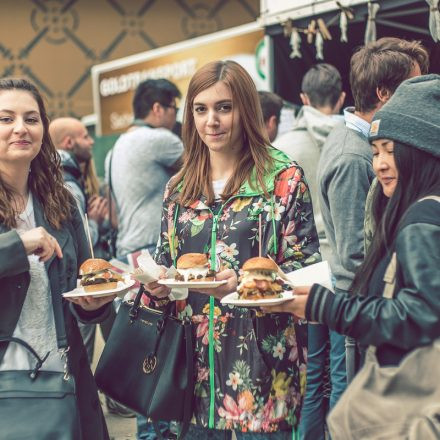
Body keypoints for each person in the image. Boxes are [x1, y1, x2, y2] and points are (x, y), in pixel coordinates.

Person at [144, 60, 320, 439]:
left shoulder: (283, 178)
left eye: (224, 108)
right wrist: (154, 284)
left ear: (245, 109)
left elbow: (307, 272)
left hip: (263, 375)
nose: (212, 121)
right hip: (189, 381)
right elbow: (166, 263)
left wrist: (242, 284)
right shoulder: (178, 188)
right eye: (201, 109)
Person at [262, 73, 440, 438]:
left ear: (422, 152)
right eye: (375, 151)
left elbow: (420, 317)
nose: (380, 164)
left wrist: (323, 306)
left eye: (392, 150)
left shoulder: (422, 219)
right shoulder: (413, 212)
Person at [0, 77, 115, 439]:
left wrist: (96, 302)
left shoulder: (63, 204)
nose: (21, 128)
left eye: (31, 119)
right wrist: (20, 245)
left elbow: (81, 292)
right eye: (6, 119)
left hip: (61, 376)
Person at [316, 37, 428, 383]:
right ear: (384, 94)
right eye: (412, 87)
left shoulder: (359, 139)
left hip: (368, 311)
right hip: (362, 313)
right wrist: (362, 320)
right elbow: (354, 255)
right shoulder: (354, 156)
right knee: (348, 394)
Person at [274, 63, 345, 440]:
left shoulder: (283, 147)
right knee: (342, 368)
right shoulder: (354, 139)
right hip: (342, 268)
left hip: (305, 271)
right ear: (342, 97)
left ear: (302, 99)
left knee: (314, 373)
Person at [105, 78, 183, 261]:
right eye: (174, 109)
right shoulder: (160, 138)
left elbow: (113, 216)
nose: (175, 117)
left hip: (125, 252)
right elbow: (203, 171)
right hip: (154, 248)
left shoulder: (114, 150)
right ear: (157, 109)